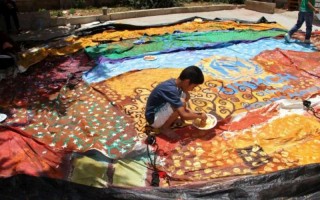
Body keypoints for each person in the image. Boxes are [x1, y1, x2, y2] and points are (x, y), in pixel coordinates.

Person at [145, 66, 208, 139]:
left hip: (158, 110)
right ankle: (164, 128)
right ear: (187, 81)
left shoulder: (175, 83)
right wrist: (199, 116)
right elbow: (184, 115)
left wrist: (192, 113)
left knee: (185, 95)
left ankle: (171, 118)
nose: (193, 89)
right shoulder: (171, 90)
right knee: (181, 102)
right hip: (153, 119)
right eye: (194, 86)